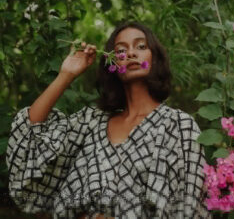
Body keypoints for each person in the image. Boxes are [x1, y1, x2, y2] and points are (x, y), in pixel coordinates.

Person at [6, 21, 212, 219]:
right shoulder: (91, 123)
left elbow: (190, 204)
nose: (130, 53)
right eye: (121, 50)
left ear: (155, 57)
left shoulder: (179, 125)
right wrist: (66, 75)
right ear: (112, 63)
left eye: (140, 46)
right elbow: (30, 135)